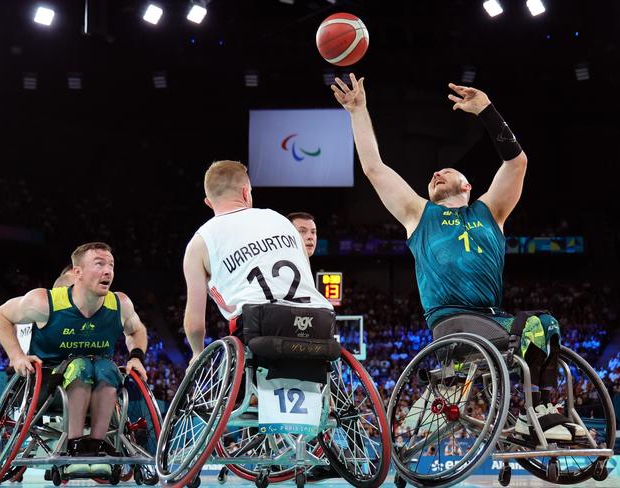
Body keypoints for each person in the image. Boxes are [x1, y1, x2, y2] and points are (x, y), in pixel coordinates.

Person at [332, 73, 583, 441]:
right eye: (434, 173)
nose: (436, 172)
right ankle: (536, 413)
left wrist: (487, 111)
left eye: (445, 171)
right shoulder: (418, 214)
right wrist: (358, 110)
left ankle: (540, 410)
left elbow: (517, 163)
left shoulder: (490, 210)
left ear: (467, 185)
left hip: (490, 319)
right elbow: (374, 168)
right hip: (451, 321)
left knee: (546, 324)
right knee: (535, 326)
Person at [0, 242, 149, 475]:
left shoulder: (120, 304)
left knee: (107, 368)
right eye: (99, 264)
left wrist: (136, 357)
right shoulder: (45, 302)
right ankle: (75, 447)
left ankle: (95, 445)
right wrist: (16, 356)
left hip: (101, 380)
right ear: (77, 273)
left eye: (111, 265)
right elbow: (1, 315)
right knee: (80, 365)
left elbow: (136, 330)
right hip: (49, 384)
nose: (108, 271)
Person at [182, 161, 333, 361]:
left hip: (259, 328)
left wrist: (196, 353)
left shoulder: (199, 243)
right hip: (319, 321)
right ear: (246, 193)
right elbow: (307, 276)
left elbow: (195, 325)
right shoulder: (282, 221)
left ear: (208, 202)